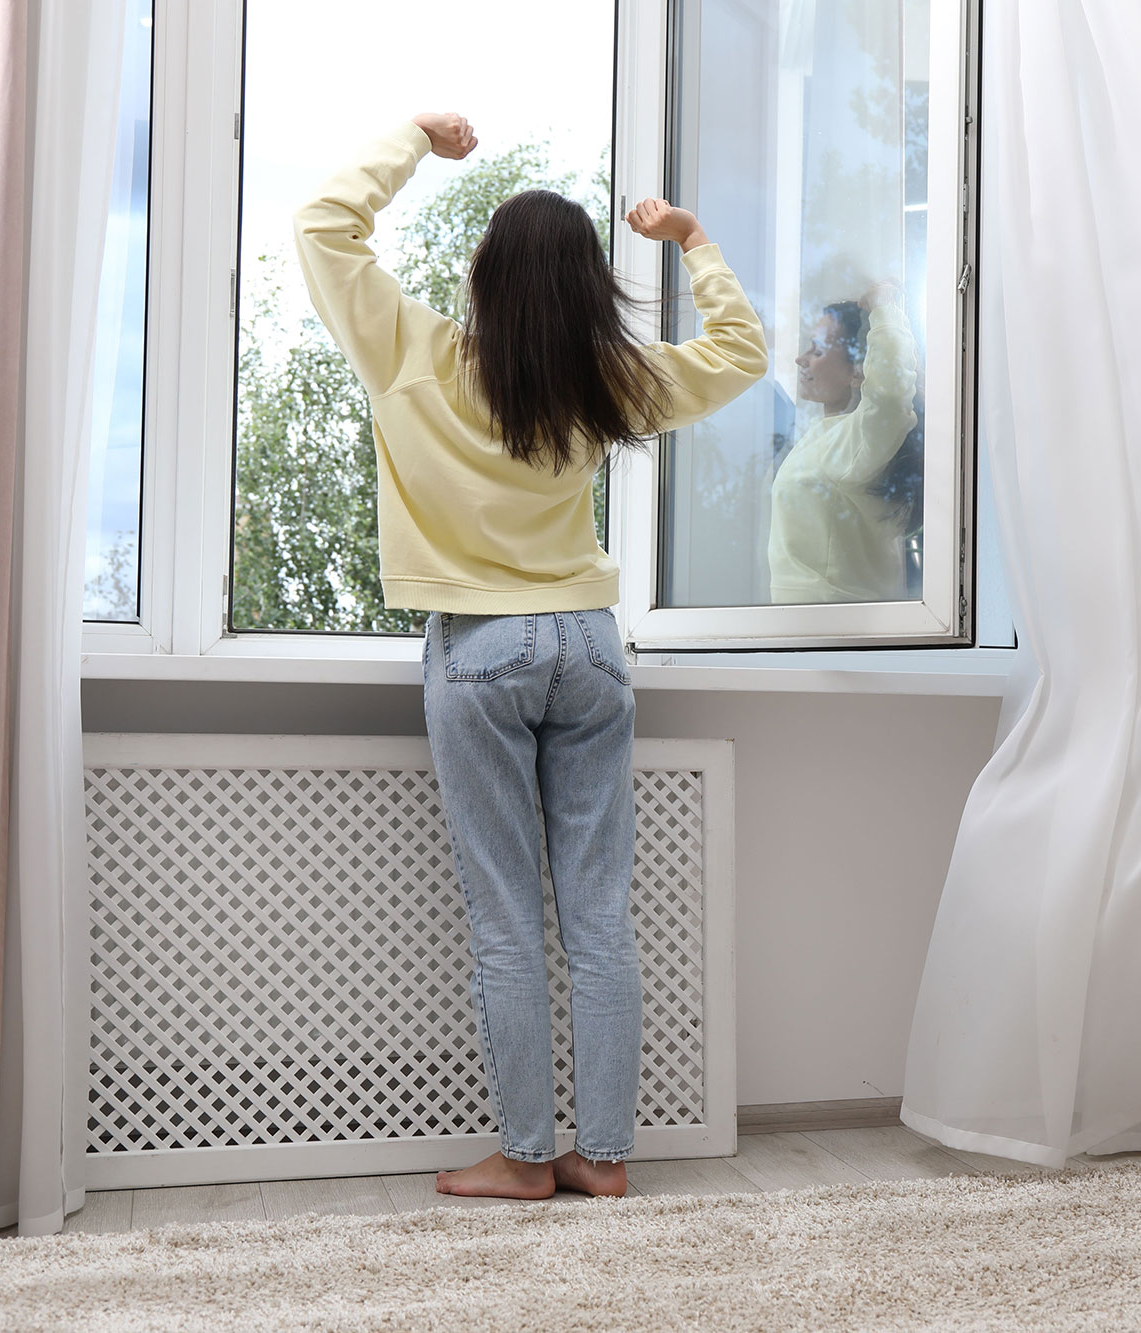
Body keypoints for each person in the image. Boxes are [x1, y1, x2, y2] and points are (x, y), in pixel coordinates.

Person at [293, 112, 766, 1199]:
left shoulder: (411, 353)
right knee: (597, 915)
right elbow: (741, 353)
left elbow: (324, 227)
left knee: (509, 919)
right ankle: (600, 1158)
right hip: (589, 647)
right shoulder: (605, 382)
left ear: (482, 274)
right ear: (589, 290)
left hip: (481, 646)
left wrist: (413, 140)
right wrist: (690, 240)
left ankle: (522, 1155)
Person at [768, 283, 921, 603]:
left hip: (830, 631)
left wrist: (883, 308)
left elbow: (890, 396)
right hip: (806, 630)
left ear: (857, 372)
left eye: (818, 350)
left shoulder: (858, 440)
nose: (800, 359)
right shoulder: (828, 438)